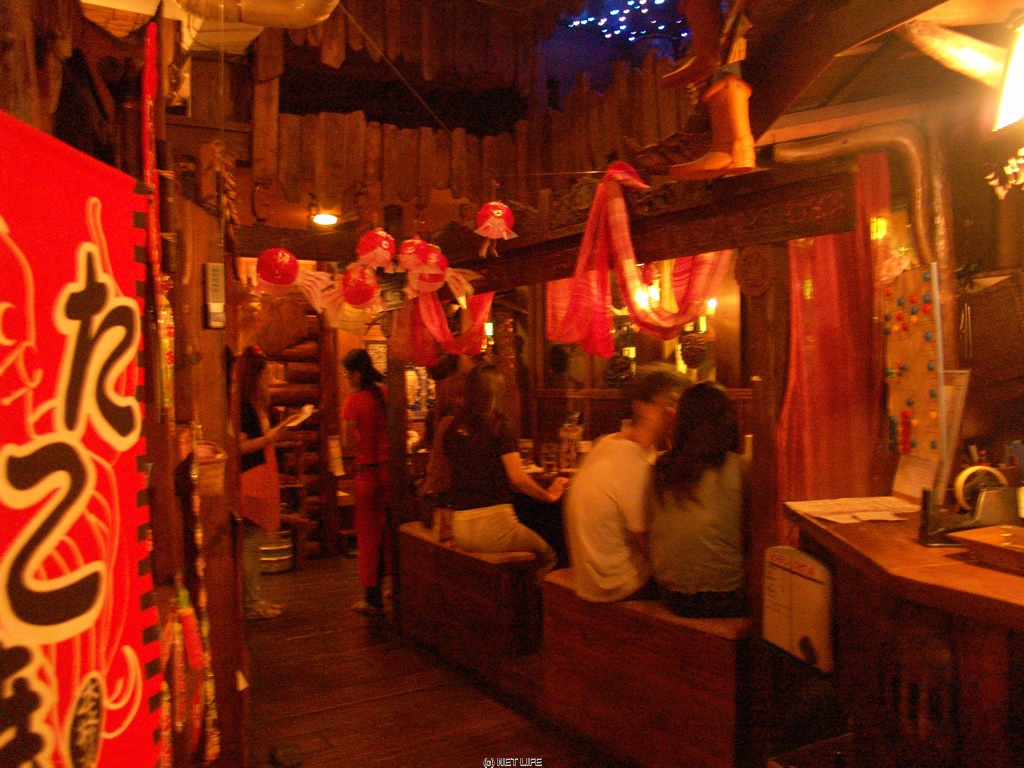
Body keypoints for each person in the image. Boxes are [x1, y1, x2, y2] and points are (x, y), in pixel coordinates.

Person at [562, 364, 691, 602]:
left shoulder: (607, 442)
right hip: (619, 586)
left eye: (678, 405)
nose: (674, 412)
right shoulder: (632, 464)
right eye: (669, 402)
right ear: (641, 407)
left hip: (591, 582)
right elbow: (649, 545)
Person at [439, 363, 564, 580]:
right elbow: (517, 479)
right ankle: (530, 601)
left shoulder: (453, 428)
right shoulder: (501, 425)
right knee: (551, 555)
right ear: (498, 392)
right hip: (496, 528)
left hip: (460, 528)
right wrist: (549, 495)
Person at [649, 381, 749, 618]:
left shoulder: (662, 467)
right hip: (725, 597)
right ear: (727, 421)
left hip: (670, 594)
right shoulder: (740, 468)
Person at [237, 346, 294, 620]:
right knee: (250, 543)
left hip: (260, 474)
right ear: (255, 376)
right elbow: (239, 446)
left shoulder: (255, 404)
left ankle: (255, 600)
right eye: (266, 374)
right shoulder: (243, 406)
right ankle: (251, 604)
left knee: (253, 542)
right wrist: (271, 437)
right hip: (250, 478)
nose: (269, 378)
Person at [340, 348, 390, 616]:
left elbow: (347, 442)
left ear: (357, 373)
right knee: (390, 531)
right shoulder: (385, 394)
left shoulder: (353, 401)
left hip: (367, 474)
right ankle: (395, 586)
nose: (347, 378)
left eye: (348, 374)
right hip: (390, 472)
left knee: (369, 536)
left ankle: (372, 598)